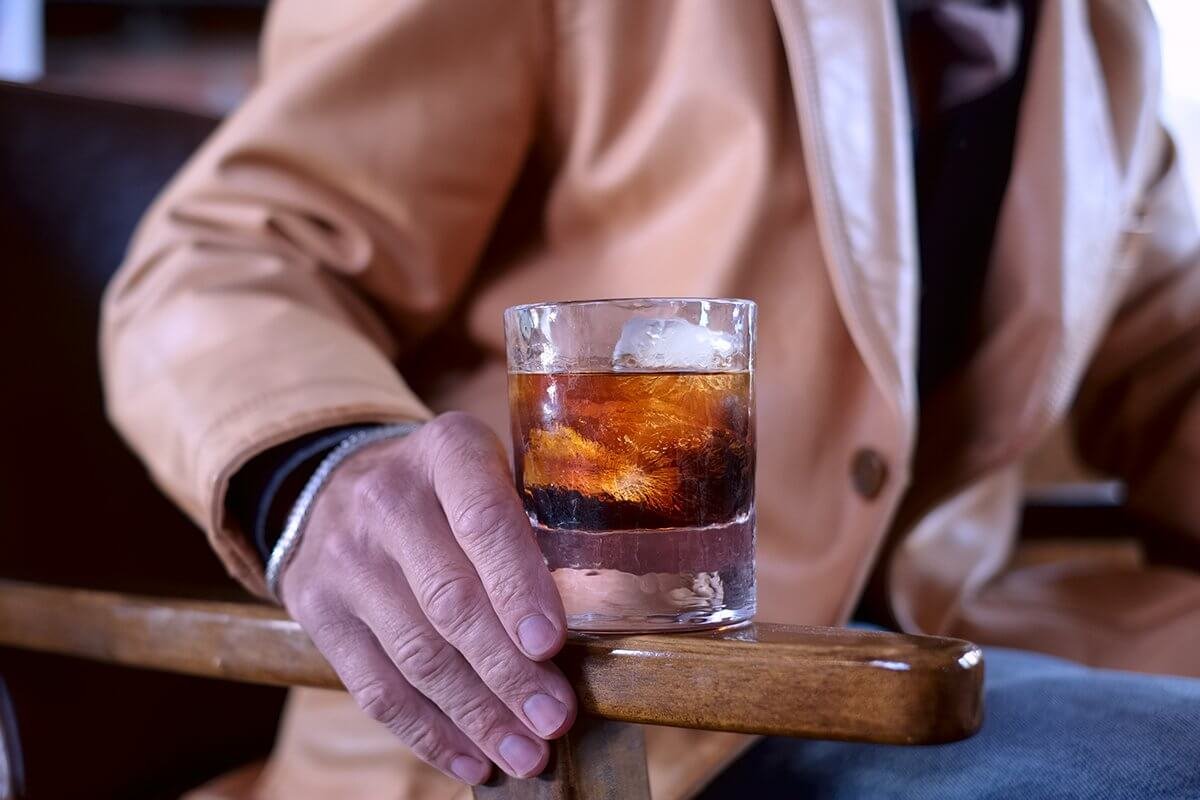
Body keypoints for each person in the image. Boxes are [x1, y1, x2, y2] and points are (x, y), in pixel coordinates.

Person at [100, 1, 1200, 798]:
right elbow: (223, 255)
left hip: (927, 668)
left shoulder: (1110, 40)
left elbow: (1172, 369)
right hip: (578, 717)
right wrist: (324, 464)